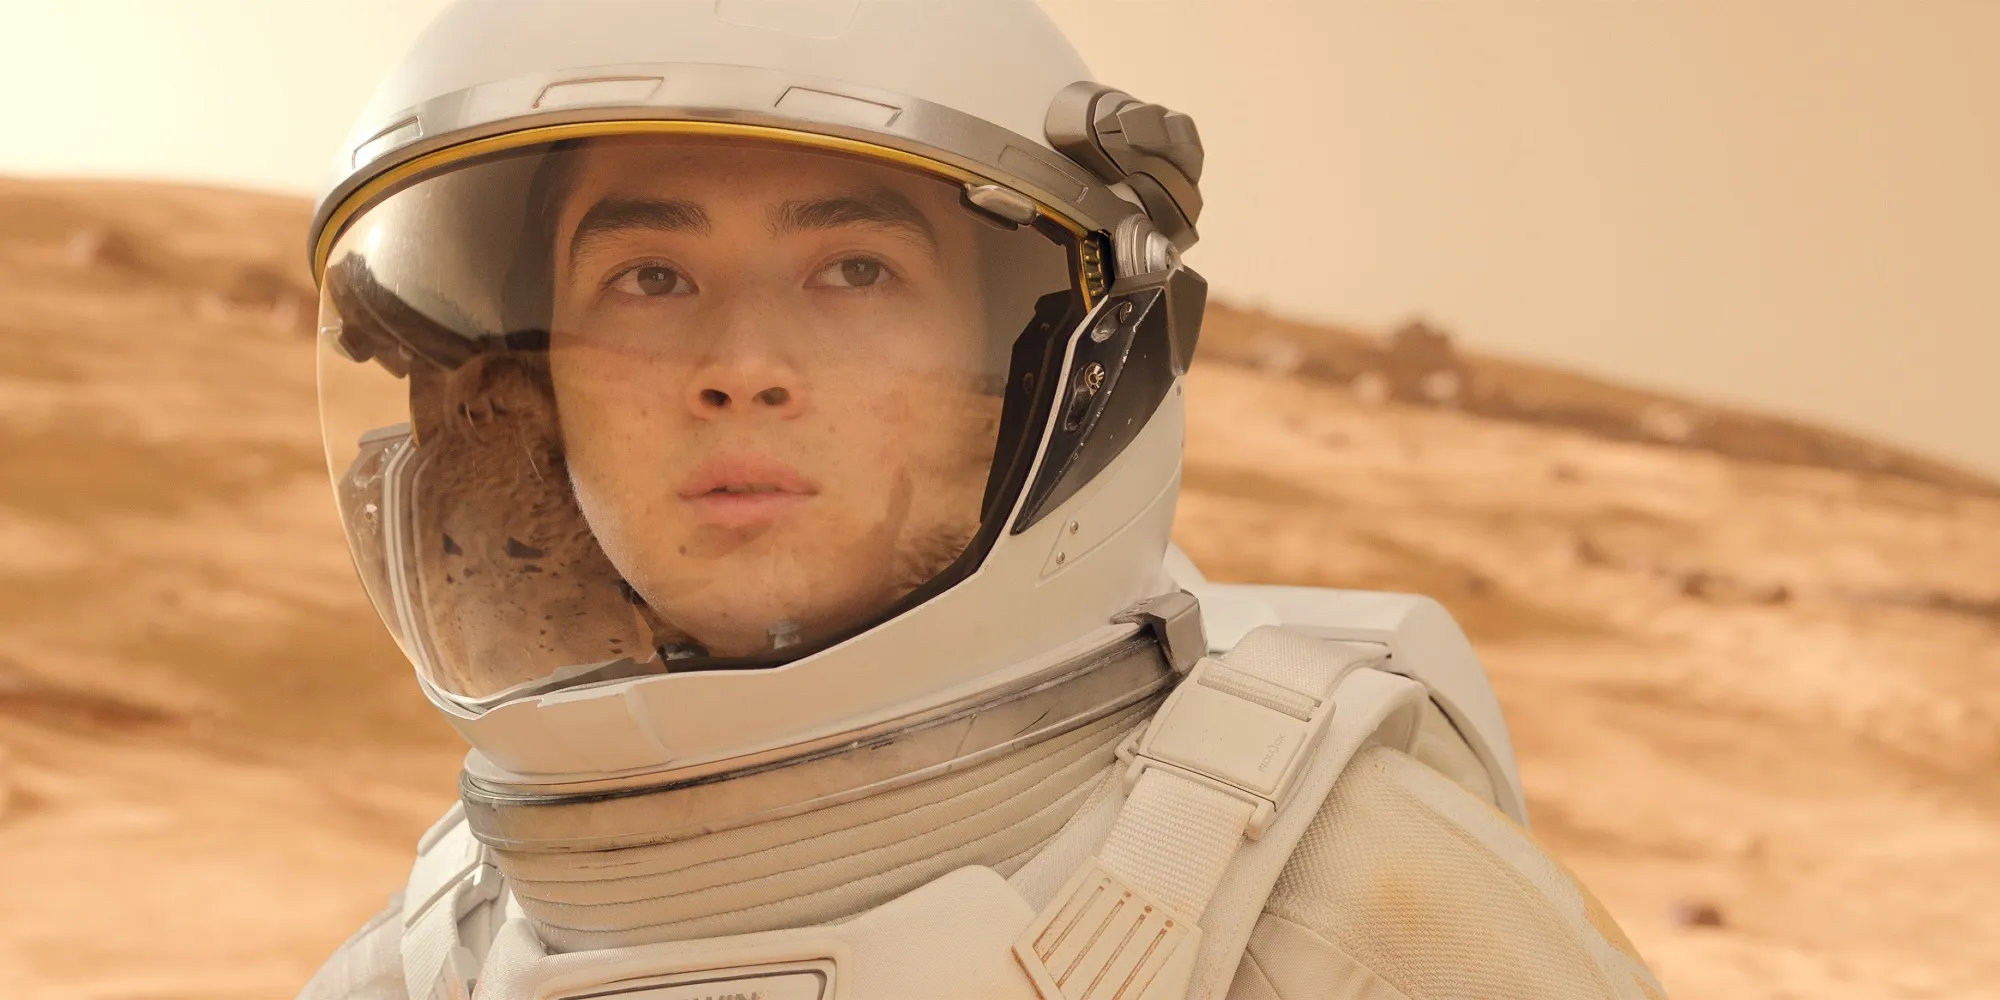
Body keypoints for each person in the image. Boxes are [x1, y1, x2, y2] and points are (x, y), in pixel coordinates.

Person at [301, 3, 1668, 999]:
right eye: (650, 279)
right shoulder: (425, 970)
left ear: (1047, 370)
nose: (742, 366)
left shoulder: (1369, 929)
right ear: (538, 389)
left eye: (854, 271)